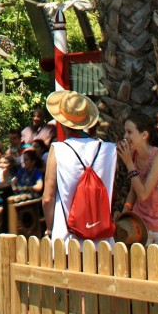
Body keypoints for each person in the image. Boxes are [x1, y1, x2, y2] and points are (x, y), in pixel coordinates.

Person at [42, 90, 117, 248]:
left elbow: (48, 198)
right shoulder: (109, 150)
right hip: (103, 243)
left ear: (61, 122)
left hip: (67, 241)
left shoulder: (58, 149)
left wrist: (49, 229)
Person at [116, 114, 158, 248]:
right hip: (140, 226)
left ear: (144, 135)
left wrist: (128, 164)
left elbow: (143, 194)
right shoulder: (133, 156)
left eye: (129, 132)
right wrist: (124, 215)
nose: (125, 137)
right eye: (124, 132)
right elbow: (134, 191)